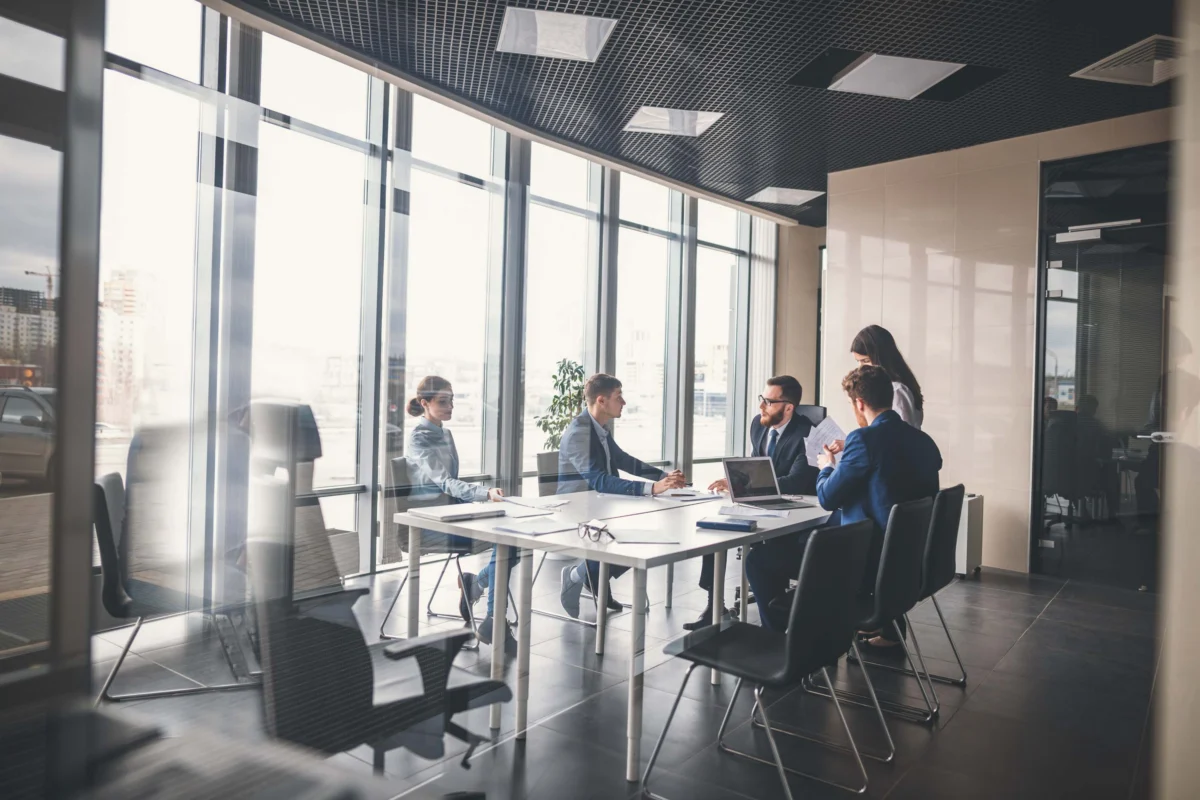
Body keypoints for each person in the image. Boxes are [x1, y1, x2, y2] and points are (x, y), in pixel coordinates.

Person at [813, 365, 942, 648]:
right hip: (911, 557)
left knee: (768, 560)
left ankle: (805, 646)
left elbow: (827, 499)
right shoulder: (923, 441)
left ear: (859, 403)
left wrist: (826, 468)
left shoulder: (863, 439)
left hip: (870, 560)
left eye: (851, 404)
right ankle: (886, 628)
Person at [684, 376, 819, 631]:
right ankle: (715, 606)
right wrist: (735, 481)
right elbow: (756, 466)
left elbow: (796, 481)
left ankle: (776, 624)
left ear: (788, 407)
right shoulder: (759, 424)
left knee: (763, 557)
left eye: (769, 401)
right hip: (758, 501)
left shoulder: (807, 434)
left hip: (795, 510)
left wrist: (747, 486)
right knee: (717, 529)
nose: (761, 407)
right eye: (762, 399)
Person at [557, 373, 686, 617]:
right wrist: (650, 489)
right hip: (578, 509)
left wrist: (663, 477)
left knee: (642, 536)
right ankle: (580, 575)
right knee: (634, 538)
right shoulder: (579, 433)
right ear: (601, 401)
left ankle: (590, 576)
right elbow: (598, 480)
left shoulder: (599, 428)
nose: (624, 402)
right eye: (619, 397)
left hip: (601, 505)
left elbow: (623, 460)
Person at [406, 376, 515, 653]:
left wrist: (481, 499)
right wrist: (484, 493)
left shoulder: (445, 433)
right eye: (443, 401)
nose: (450, 406)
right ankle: (491, 615)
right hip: (430, 522)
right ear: (424, 403)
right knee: (506, 541)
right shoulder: (419, 438)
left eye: (452, 400)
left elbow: (452, 485)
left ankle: (478, 590)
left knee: (513, 537)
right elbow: (445, 482)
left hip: (452, 513)